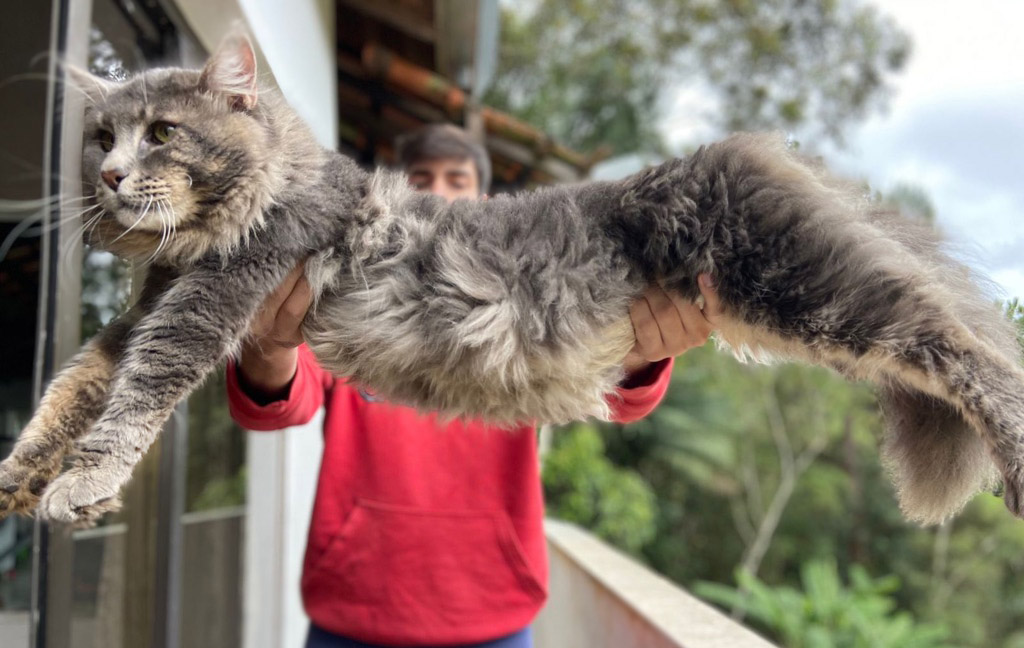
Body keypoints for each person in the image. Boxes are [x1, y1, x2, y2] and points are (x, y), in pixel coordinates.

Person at [227, 123, 722, 648]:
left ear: (483, 200)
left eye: (456, 180)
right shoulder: (353, 290)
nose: (439, 193)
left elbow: (616, 398)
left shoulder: (530, 298)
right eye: (422, 179)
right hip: (352, 610)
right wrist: (269, 340)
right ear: (397, 194)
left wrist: (640, 352)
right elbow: (278, 404)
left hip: (494, 615)